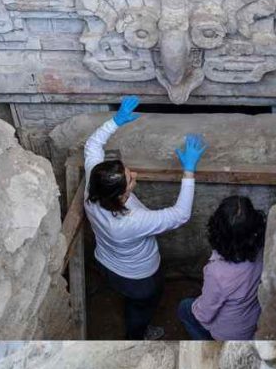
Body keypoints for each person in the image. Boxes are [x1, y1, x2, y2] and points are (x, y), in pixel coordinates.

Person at [85, 95, 207, 340]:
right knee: (143, 304)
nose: (135, 174)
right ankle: (137, 334)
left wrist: (115, 121)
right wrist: (189, 171)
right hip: (138, 276)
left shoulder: (93, 187)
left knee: (132, 298)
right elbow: (180, 215)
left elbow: (92, 145)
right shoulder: (130, 222)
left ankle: (135, 318)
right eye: (130, 178)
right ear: (122, 195)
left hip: (107, 262)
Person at [177, 196, 266, 340]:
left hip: (228, 333)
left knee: (184, 307)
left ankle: (208, 345)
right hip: (252, 321)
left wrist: (198, 302)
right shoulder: (263, 248)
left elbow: (204, 315)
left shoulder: (217, 272)